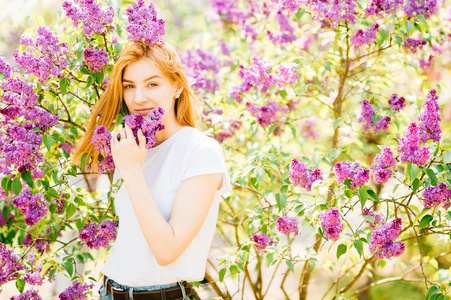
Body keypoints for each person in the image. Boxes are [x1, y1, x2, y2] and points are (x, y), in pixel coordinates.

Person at [72, 41, 230, 300]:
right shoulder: (134, 148)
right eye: (129, 86)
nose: (139, 98)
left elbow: (167, 251)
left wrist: (132, 171)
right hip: (109, 292)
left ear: (177, 86)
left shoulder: (200, 151)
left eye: (152, 84)